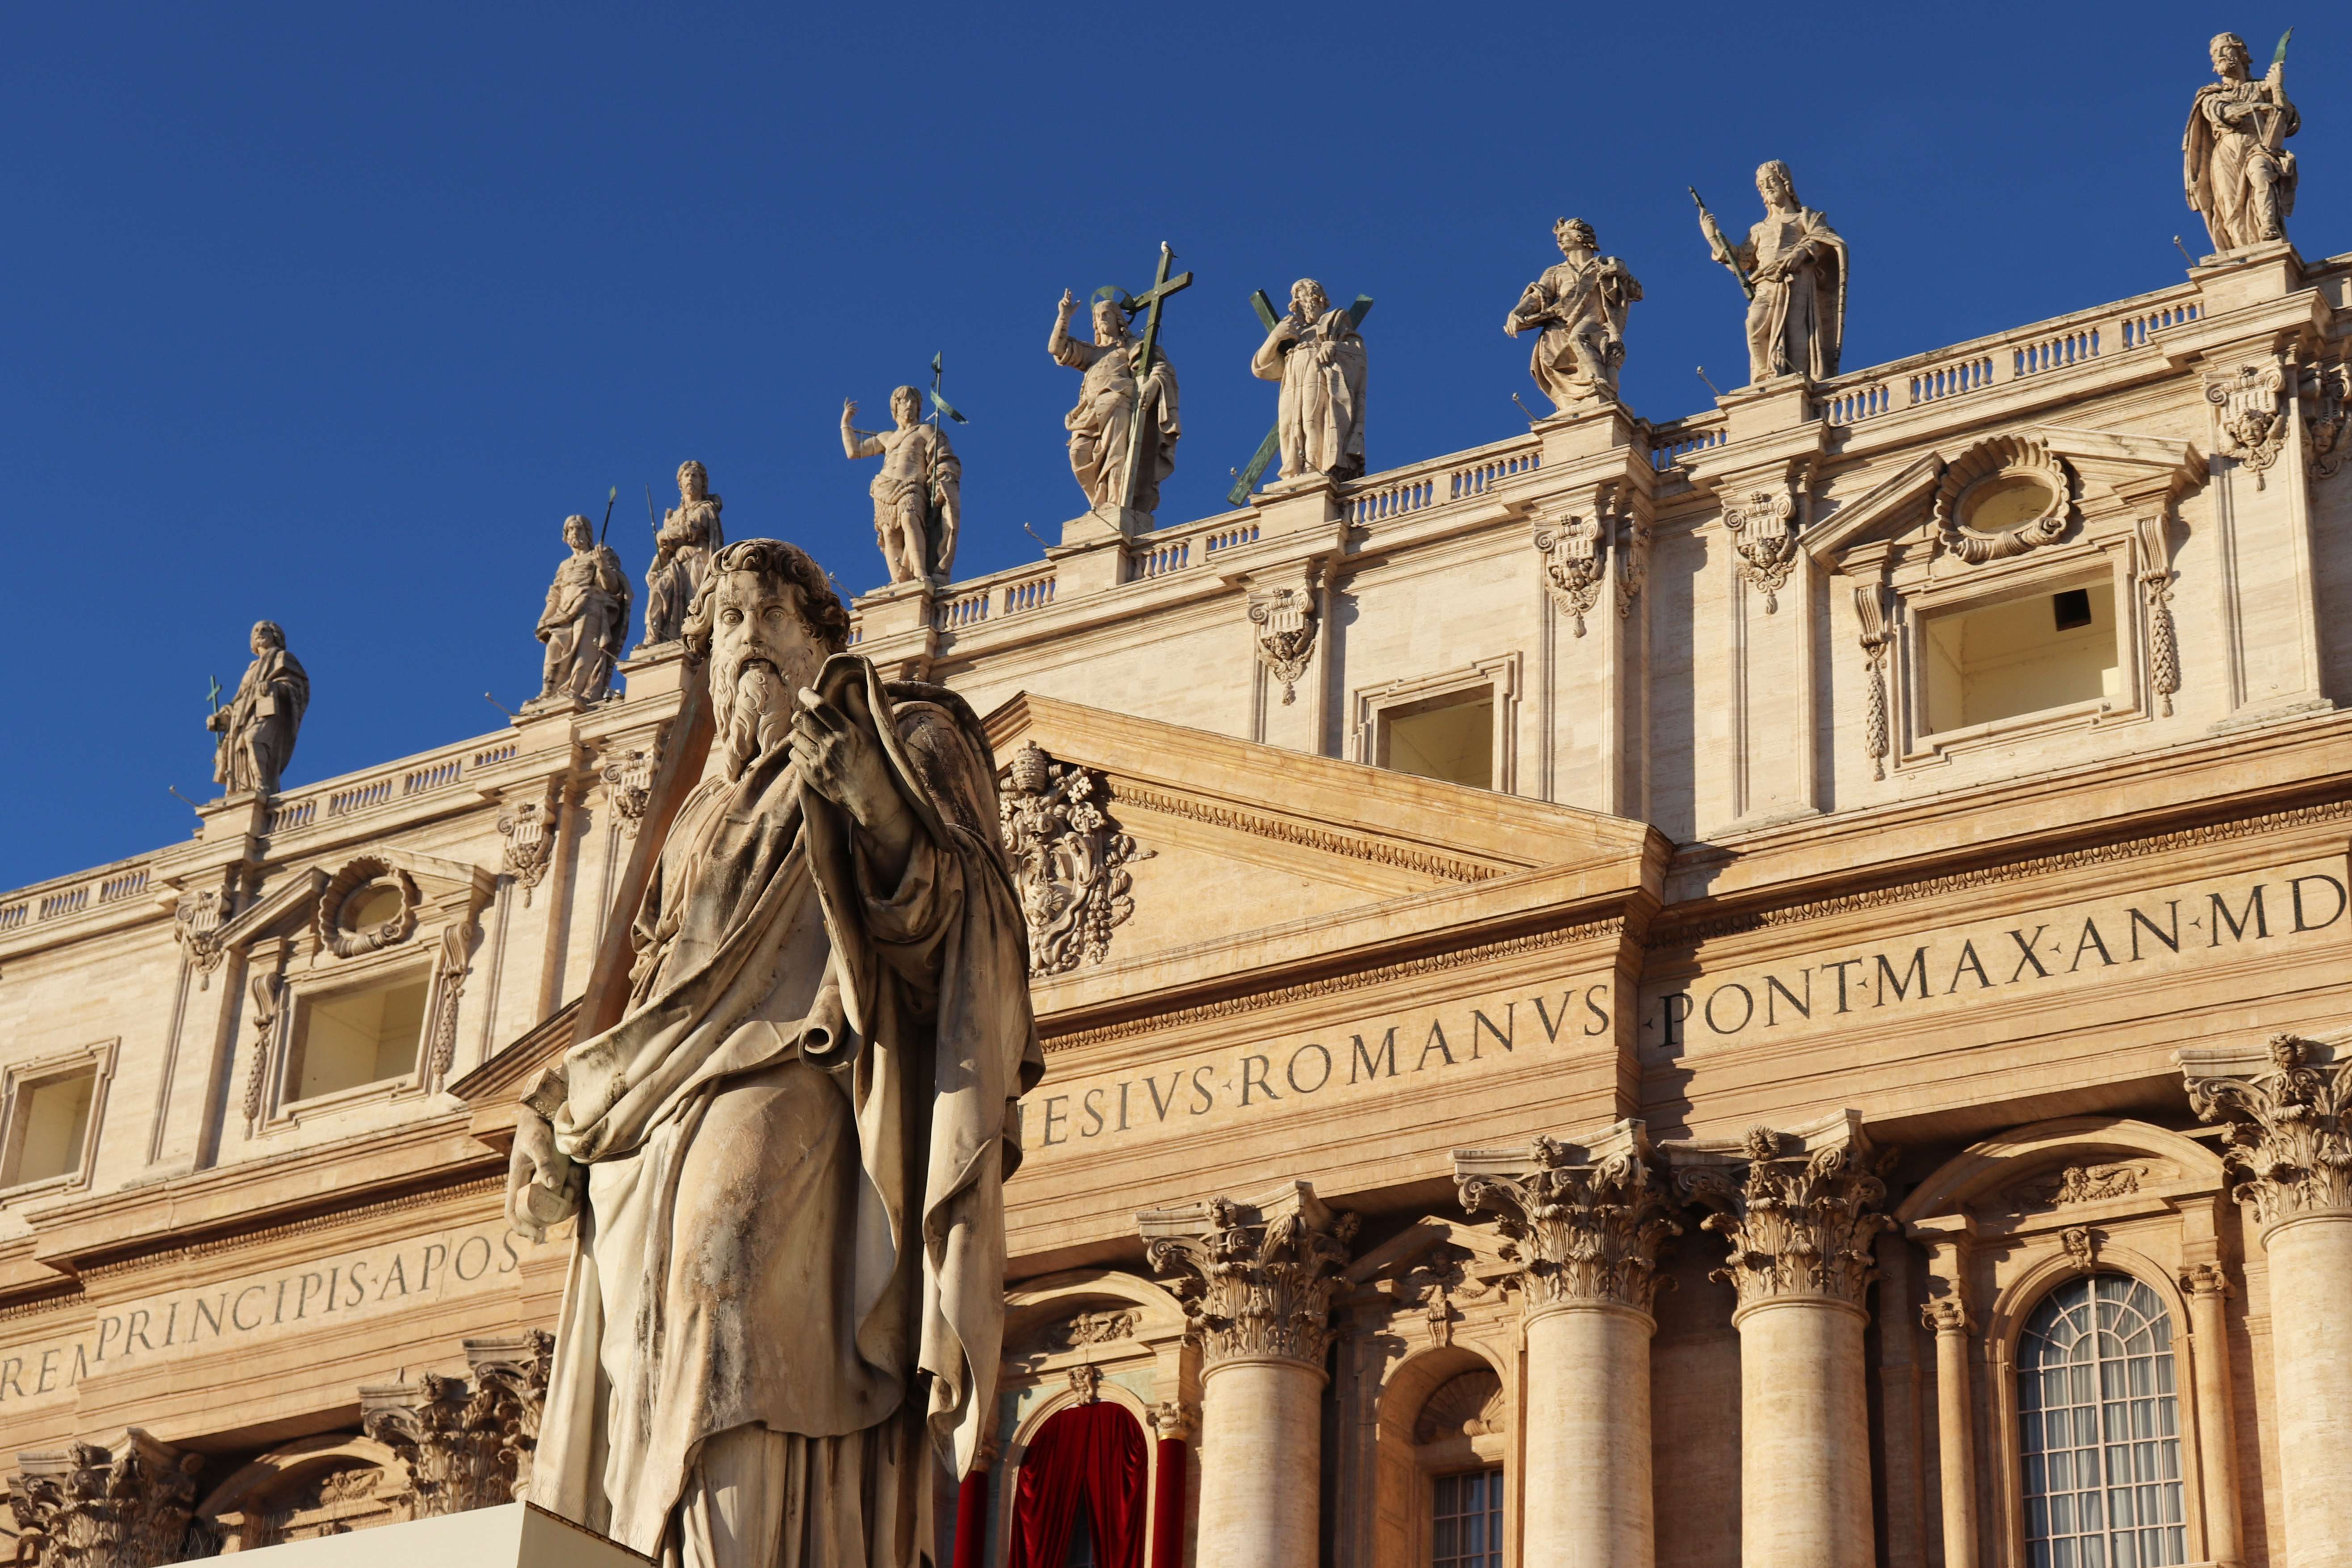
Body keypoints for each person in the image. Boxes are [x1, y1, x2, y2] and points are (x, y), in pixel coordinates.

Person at [509, 538, 1041, 1568]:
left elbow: (955, 925)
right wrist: (554, 1102)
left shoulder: (901, 735)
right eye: (726, 627)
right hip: (650, 1114)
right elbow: (644, 998)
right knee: (636, 1360)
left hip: (795, 1071)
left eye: (768, 617)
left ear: (822, 638)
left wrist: (872, 800)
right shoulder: (696, 813)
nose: (746, 640)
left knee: (728, 1294)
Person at [1048, 290, 1180, 517]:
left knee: (1115, 452)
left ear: (1119, 320)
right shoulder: (1093, 354)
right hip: (1088, 414)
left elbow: (1161, 367)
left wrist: (1152, 384)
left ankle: (1115, 502)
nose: (1101, 320)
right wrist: (1065, 316)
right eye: (1098, 317)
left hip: (1118, 403)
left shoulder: (1132, 347)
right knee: (1078, 454)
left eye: (1106, 315)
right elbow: (1057, 349)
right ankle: (1099, 503)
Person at [1505, 218, 1643, 409]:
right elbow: (1539, 296)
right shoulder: (1556, 272)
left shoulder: (1606, 264)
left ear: (1579, 237)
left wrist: (1621, 274)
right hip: (1559, 326)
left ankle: (1598, 384)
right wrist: (1517, 312)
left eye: (1563, 236)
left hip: (1595, 321)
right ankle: (1576, 405)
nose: (1559, 242)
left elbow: (1637, 292)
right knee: (1552, 360)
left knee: (1580, 338)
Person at [1732, 162, 1846, 384]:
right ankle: (1764, 376)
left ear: (1785, 183)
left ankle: (1796, 378)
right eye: (1762, 186)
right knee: (1754, 324)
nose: (1768, 189)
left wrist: (1800, 254)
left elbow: (1826, 239)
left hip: (1797, 278)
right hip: (1765, 282)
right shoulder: (1758, 229)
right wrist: (1714, 237)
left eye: (1771, 182)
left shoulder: (1806, 217)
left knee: (1797, 331)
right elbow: (1741, 261)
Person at [2185, 30, 2299, 253]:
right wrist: (2255, 107)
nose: (2218, 57)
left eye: (2222, 50)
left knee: (2261, 174)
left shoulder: (2261, 88)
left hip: (2260, 147)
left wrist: (2277, 87)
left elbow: (2290, 121)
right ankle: (2241, 253)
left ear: (2241, 52)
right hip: (2226, 151)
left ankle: (2268, 230)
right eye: (2214, 55)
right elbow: (2223, 114)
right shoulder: (2211, 95)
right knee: (2230, 207)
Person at [1251, 278, 1368, 481]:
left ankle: (1313, 471)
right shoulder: (1293, 336)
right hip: (1293, 379)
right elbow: (1261, 367)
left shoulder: (1336, 322)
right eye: (1297, 298)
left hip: (1319, 374)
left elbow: (1358, 354)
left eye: (1305, 296)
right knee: (1288, 428)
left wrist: (1333, 347)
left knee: (1314, 421)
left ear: (1320, 299)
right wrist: (1276, 337)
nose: (1301, 301)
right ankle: (1294, 473)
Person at [841, 386, 962, 582]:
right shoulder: (886, 437)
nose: (908, 405)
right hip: (884, 487)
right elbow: (854, 452)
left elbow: (945, 458)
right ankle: (899, 580)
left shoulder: (926, 431)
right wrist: (846, 423)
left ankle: (921, 573)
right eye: (902, 401)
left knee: (910, 519)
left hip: (912, 484)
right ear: (894, 408)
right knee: (889, 532)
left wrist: (942, 477)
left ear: (919, 408)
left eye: (912, 402)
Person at [536, 514, 632, 704]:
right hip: (563, 614)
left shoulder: (600, 555)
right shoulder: (564, 565)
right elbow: (556, 595)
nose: (574, 533)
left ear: (588, 533)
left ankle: (577, 692)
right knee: (554, 648)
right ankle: (549, 693)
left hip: (591, 608)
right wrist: (544, 618)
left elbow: (613, 588)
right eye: (570, 529)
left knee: (586, 652)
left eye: (578, 528)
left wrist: (603, 567)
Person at [207, 620, 309, 795]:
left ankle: (261, 786)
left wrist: (275, 687)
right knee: (241, 746)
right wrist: (222, 717)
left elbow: (298, 688)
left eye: (265, 630)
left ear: (275, 636)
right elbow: (239, 699)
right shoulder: (252, 669)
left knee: (253, 739)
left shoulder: (282, 658)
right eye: (255, 630)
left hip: (267, 709)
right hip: (245, 714)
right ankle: (244, 789)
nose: (259, 633)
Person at [644, 461, 725, 646]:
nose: (690, 479)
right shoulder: (675, 515)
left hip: (698, 560)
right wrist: (653, 569)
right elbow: (664, 550)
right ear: (680, 483)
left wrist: (664, 534)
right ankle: (653, 640)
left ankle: (695, 642)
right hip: (677, 563)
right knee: (658, 591)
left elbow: (690, 530)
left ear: (703, 483)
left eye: (695, 476)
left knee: (694, 603)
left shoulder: (706, 508)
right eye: (686, 476)